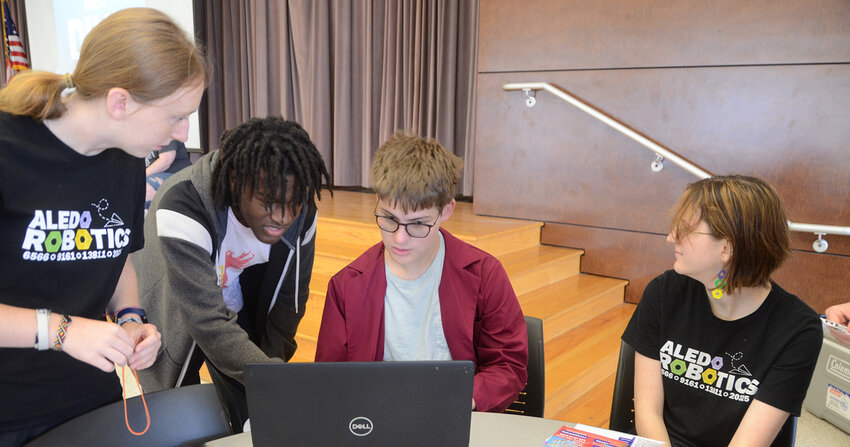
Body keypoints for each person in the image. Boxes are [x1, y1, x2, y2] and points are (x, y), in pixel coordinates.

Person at [0, 7, 206, 445]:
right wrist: (63, 331)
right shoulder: (8, 150)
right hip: (11, 407)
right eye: (175, 116)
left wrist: (132, 318)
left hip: (90, 394)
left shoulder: (126, 160)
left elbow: (115, 259)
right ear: (120, 102)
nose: (183, 132)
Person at [134, 116, 332, 432]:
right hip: (173, 295)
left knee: (252, 410)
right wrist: (270, 376)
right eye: (268, 203)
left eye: (292, 204)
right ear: (234, 181)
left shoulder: (301, 211)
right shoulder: (182, 205)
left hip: (235, 289)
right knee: (174, 414)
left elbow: (289, 304)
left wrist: (266, 378)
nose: (282, 217)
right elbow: (207, 322)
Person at [315, 133, 528, 413]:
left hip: (456, 415)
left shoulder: (484, 274)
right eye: (389, 219)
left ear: (447, 210)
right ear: (377, 201)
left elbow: (508, 364)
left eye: (418, 225)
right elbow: (328, 381)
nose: (399, 239)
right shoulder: (346, 286)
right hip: (377, 421)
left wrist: (463, 398)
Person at [622, 175, 822, 446]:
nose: (671, 238)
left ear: (727, 248)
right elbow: (647, 414)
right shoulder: (664, 293)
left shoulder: (797, 330)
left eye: (684, 229)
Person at [145, 139, 193, 206]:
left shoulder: (164, 129)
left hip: (178, 176)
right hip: (152, 176)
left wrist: (140, 178)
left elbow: (166, 160)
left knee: (144, 189)